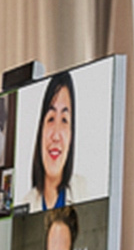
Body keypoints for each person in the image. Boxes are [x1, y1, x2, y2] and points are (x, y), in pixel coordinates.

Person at [22, 70, 87, 212]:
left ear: (71, 135)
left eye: (64, 120)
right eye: (51, 119)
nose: (56, 136)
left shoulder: (84, 191)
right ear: (41, 130)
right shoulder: (26, 203)